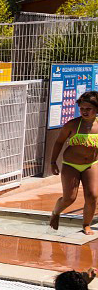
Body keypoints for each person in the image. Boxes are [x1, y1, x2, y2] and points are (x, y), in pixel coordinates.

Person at [49, 91, 98, 234]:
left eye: (88, 109)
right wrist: (53, 162)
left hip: (91, 164)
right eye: (82, 108)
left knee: (93, 195)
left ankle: (86, 225)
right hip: (71, 165)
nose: (84, 111)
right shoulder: (72, 125)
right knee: (69, 198)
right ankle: (56, 212)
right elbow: (59, 142)